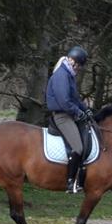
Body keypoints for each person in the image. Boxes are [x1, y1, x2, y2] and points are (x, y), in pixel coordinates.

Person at [45, 45, 93, 193]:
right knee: (77, 147)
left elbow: (75, 99)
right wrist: (77, 112)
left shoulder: (69, 75)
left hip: (69, 113)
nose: (79, 68)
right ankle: (70, 181)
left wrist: (86, 110)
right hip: (62, 116)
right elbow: (64, 101)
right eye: (78, 65)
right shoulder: (61, 75)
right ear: (73, 61)